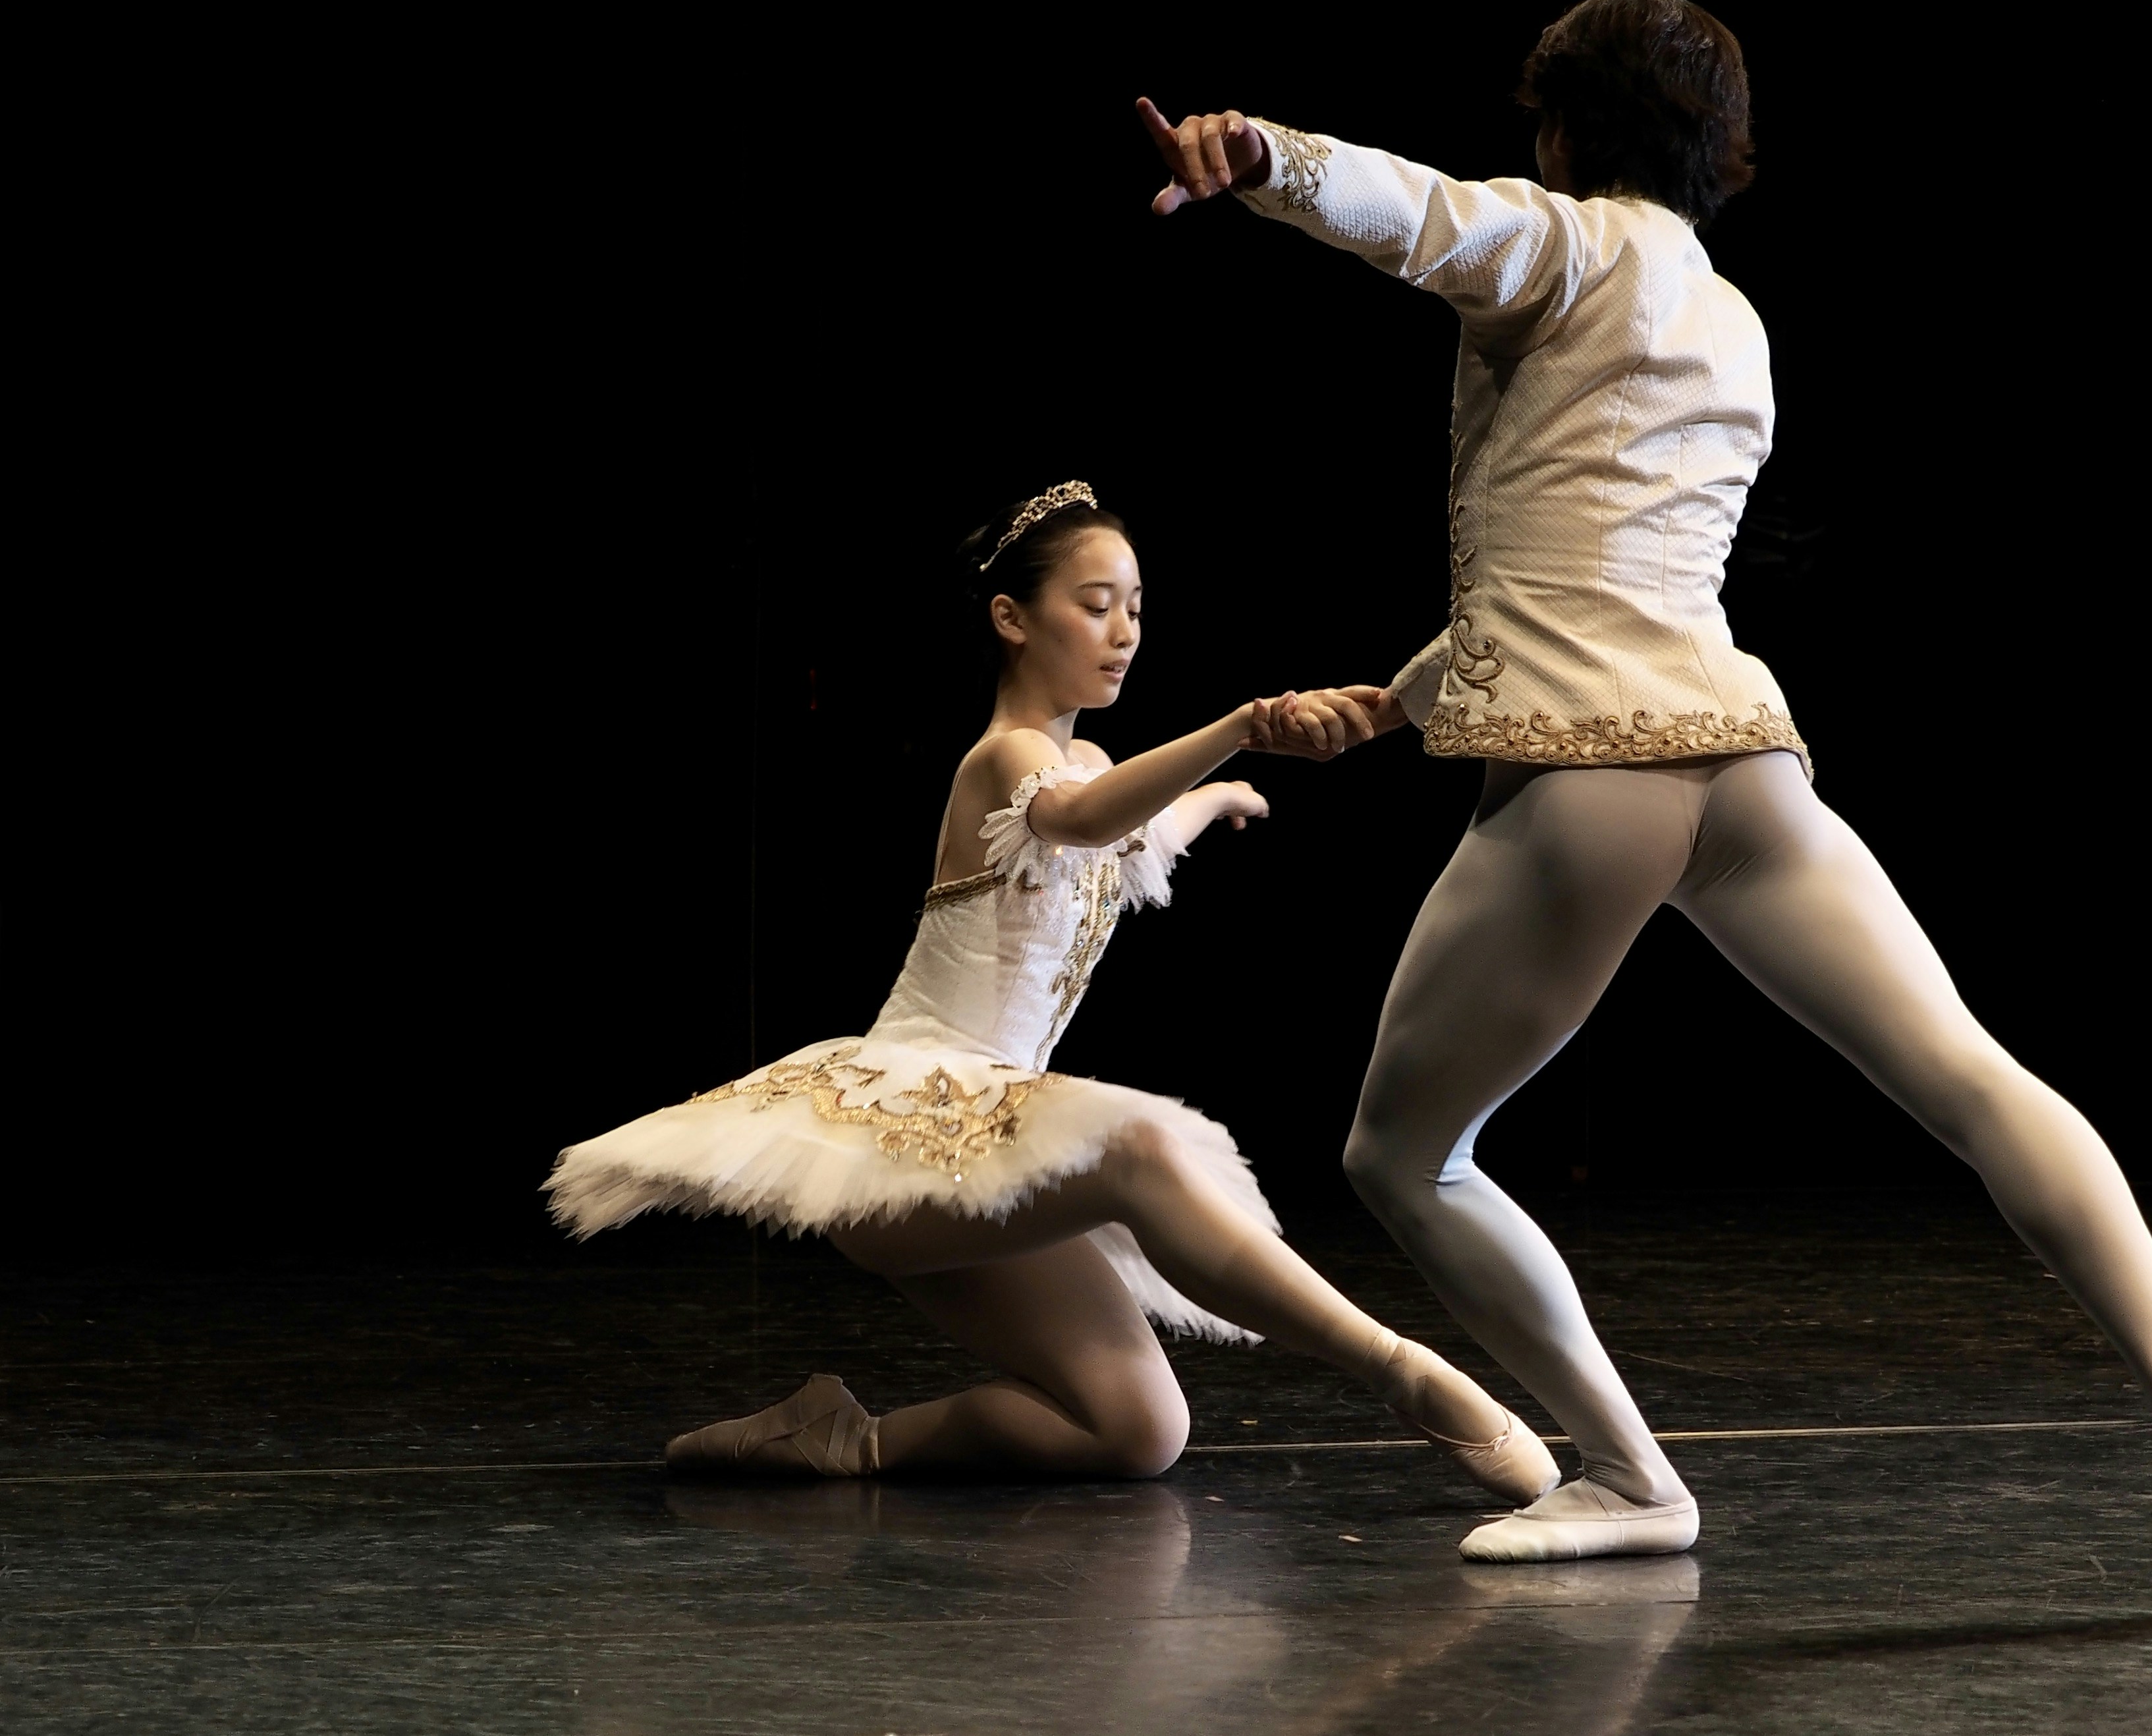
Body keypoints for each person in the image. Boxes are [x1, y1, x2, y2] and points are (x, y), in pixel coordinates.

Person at [1138, 0, 2152, 1593]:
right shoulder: (1730, 318)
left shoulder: (1563, 243)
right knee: (1975, 1078)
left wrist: (1259, 158)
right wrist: (1399, 703)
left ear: (1565, 131)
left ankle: (1631, 1474)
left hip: (1591, 777)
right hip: (1742, 763)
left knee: (1398, 1154)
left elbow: (1414, 214)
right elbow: (1603, 568)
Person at [544, 481, 1558, 1503]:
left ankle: (839, 1441)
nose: (1124, 632)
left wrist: (1216, 798)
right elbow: (1078, 820)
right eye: (1096, 604)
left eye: (1137, 609)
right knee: (1141, 1146)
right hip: (908, 1132)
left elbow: (1130, 837)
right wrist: (1239, 730)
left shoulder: (1085, 764)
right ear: (1012, 618)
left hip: (988, 1155)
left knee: (1137, 1429)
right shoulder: (1007, 760)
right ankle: (1408, 1373)